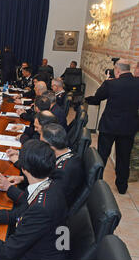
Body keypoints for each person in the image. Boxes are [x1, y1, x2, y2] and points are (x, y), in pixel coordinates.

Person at [85, 59, 139, 194]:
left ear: (117, 70)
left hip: (109, 126)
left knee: (102, 155)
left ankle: (97, 183)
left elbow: (97, 98)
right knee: (124, 157)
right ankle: (122, 187)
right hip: (129, 127)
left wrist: (106, 81)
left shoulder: (111, 84)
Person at [41, 123, 84, 207]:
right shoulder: (68, 152)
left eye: (41, 144)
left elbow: (49, 199)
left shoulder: (63, 171)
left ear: (51, 146)